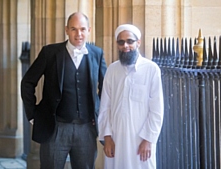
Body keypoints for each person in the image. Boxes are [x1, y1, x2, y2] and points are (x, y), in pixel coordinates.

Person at [21, 12, 107, 169]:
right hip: (55, 128)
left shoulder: (97, 54)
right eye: (74, 29)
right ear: (66, 30)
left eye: (82, 29)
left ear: (89, 30)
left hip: (86, 129)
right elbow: (27, 82)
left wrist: (99, 113)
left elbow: (106, 89)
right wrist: (33, 114)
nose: (78, 34)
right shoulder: (50, 52)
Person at [98, 24, 164, 169]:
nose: (125, 46)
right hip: (116, 140)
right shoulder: (112, 70)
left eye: (130, 41)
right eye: (121, 42)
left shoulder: (151, 69)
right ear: (117, 44)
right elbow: (105, 107)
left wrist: (148, 139)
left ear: (138, 42)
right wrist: (107, 137)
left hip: (140, 141)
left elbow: (157, 110)